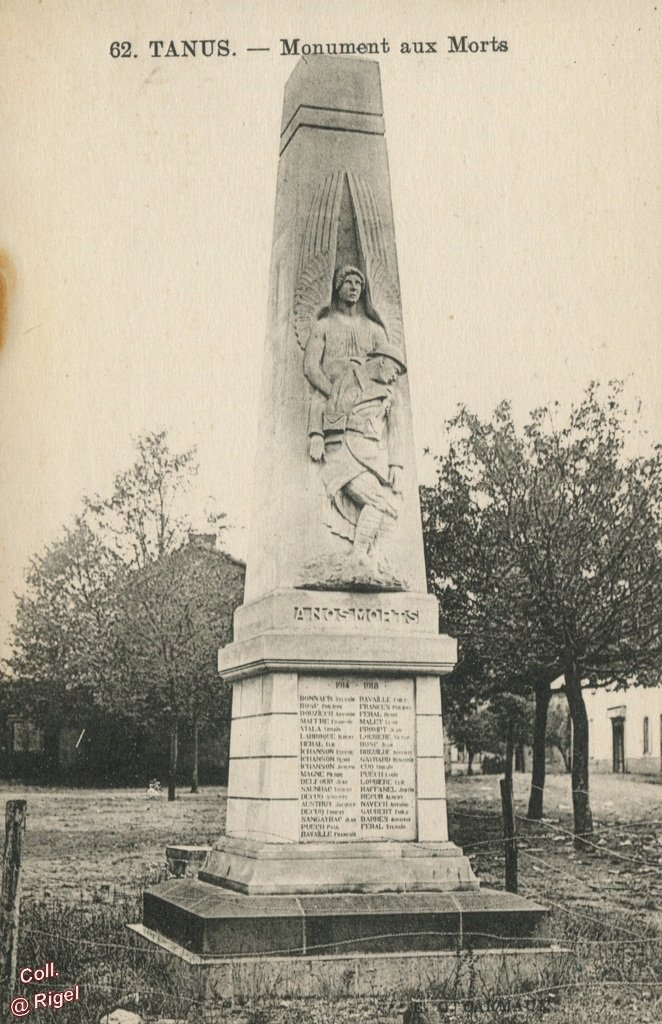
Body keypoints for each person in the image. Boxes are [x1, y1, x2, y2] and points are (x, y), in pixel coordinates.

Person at [312, 343, 407, 558]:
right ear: (383, 361)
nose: (395, 378)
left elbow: (396, 431)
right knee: (378, 502)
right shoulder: (346, 372)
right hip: (341, 449)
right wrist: (315, 433)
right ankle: (359, 556)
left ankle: (364, 555)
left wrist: (396, 465)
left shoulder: (392, 395)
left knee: (384, 506)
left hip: (369, 456)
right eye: (395, 371)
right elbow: (319, 398)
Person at [304, 265, 388, 460]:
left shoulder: (375, 330)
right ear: (337, 286)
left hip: (365, 396)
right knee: (318, 400)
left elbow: (386, 366)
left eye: (358, 283)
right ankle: (316, 435)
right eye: (349, 282)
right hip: (330, 390)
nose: (354, 287)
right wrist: (333, 391)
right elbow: (311, 367)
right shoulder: (323, 325)